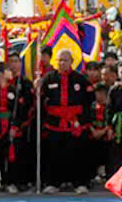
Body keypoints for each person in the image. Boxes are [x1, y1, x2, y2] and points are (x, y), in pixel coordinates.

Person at [37, 48, 96, 192]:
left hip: (75, 123)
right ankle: (53, 183)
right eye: (59, 60)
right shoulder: (48, 78)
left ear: (72, 62)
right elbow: (41, 100)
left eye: (65, 60)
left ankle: (80, 183)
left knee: (77, 154)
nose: (62, 63)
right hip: (54, 124)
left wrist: (83, 121)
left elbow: (89, 101)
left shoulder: (80, 79)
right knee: (54, 154)